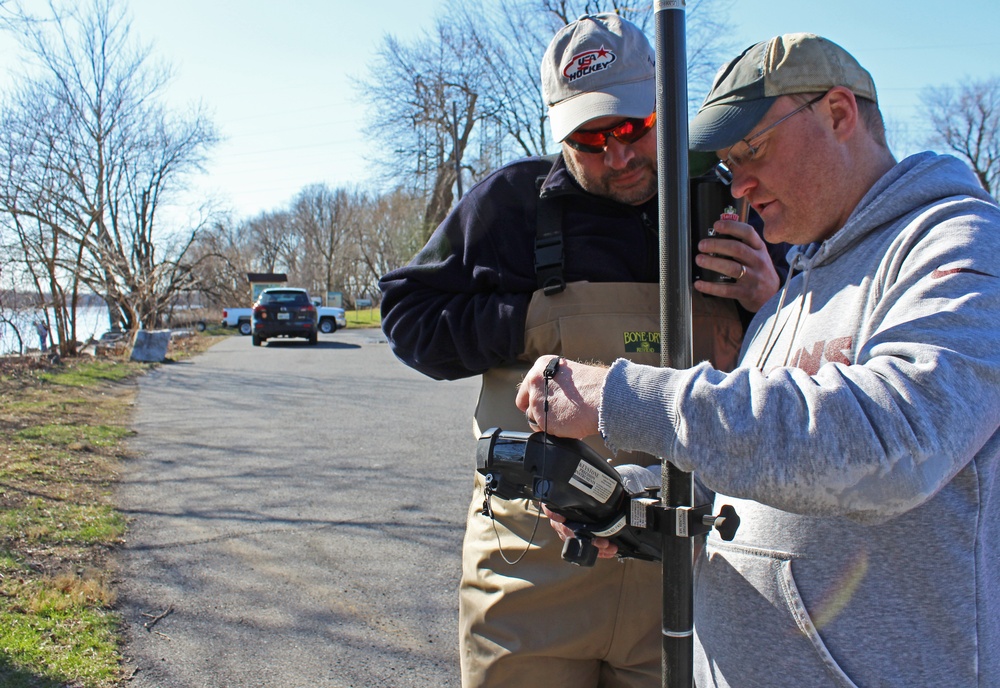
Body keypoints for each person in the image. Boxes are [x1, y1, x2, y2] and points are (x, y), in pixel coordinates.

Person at [516, 33, 1000, 688]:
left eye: (752, 149)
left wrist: (621, 397)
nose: (738, 182)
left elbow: (897, 442)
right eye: (727, 160)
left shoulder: (958, 245)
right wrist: (628, 505)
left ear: (838, 113)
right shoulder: (784, 297)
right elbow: (749, 481)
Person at [379, 14, 785, 688]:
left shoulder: (735, 201)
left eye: (633, 130)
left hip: (691, 568)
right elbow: (407, 317)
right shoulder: (511, 206)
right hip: (532, 573)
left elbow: (822, 362)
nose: (618, 158)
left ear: (664, 107)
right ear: (557, 130)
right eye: (589, 140)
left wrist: (771, 297)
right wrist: (531, 319)